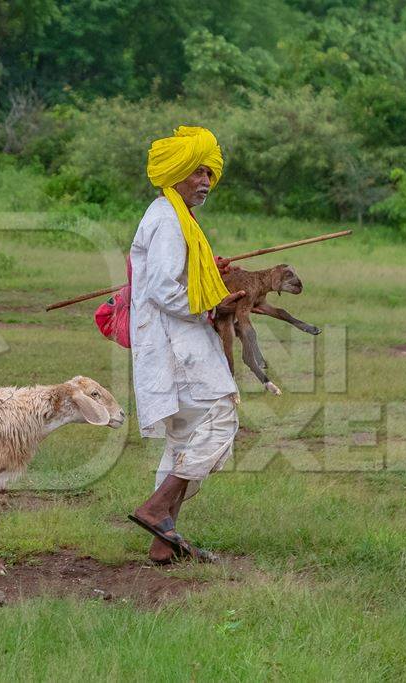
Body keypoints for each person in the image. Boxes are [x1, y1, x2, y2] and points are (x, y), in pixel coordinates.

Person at [126, 126, 246, 563]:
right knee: (220, 416)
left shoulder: (175, 218)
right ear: (174, 173)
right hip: (178, 340)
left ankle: (163, 540)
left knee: (184, 436)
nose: (205, 182)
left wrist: (209, 271)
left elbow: (173, 276)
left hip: (175, 338)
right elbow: (162, 287)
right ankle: (157, 509)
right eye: (196, 172)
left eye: (209, 174)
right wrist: (212, 308)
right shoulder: (167, 219)